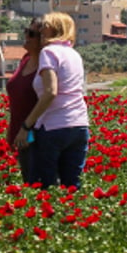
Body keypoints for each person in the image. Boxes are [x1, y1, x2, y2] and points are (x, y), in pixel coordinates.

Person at [12, 11, 89, 189]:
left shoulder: (49, 52)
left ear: (54, 29)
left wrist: (26, 126)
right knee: (71, 187)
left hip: (53, 126)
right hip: (79, 125)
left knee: (43, 187)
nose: (41, 30)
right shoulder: (73, 54)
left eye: (45, 26)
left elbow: (50, 92)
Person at [6, 16, 44, 184]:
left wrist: (26, 129)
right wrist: (12, 130)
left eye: (32, 34)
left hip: (35, 135)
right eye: (26, 31)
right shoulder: (25, 60)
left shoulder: (46, 66)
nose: (26, 36)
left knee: (36, 183)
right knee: (28, 181)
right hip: (20, 133)